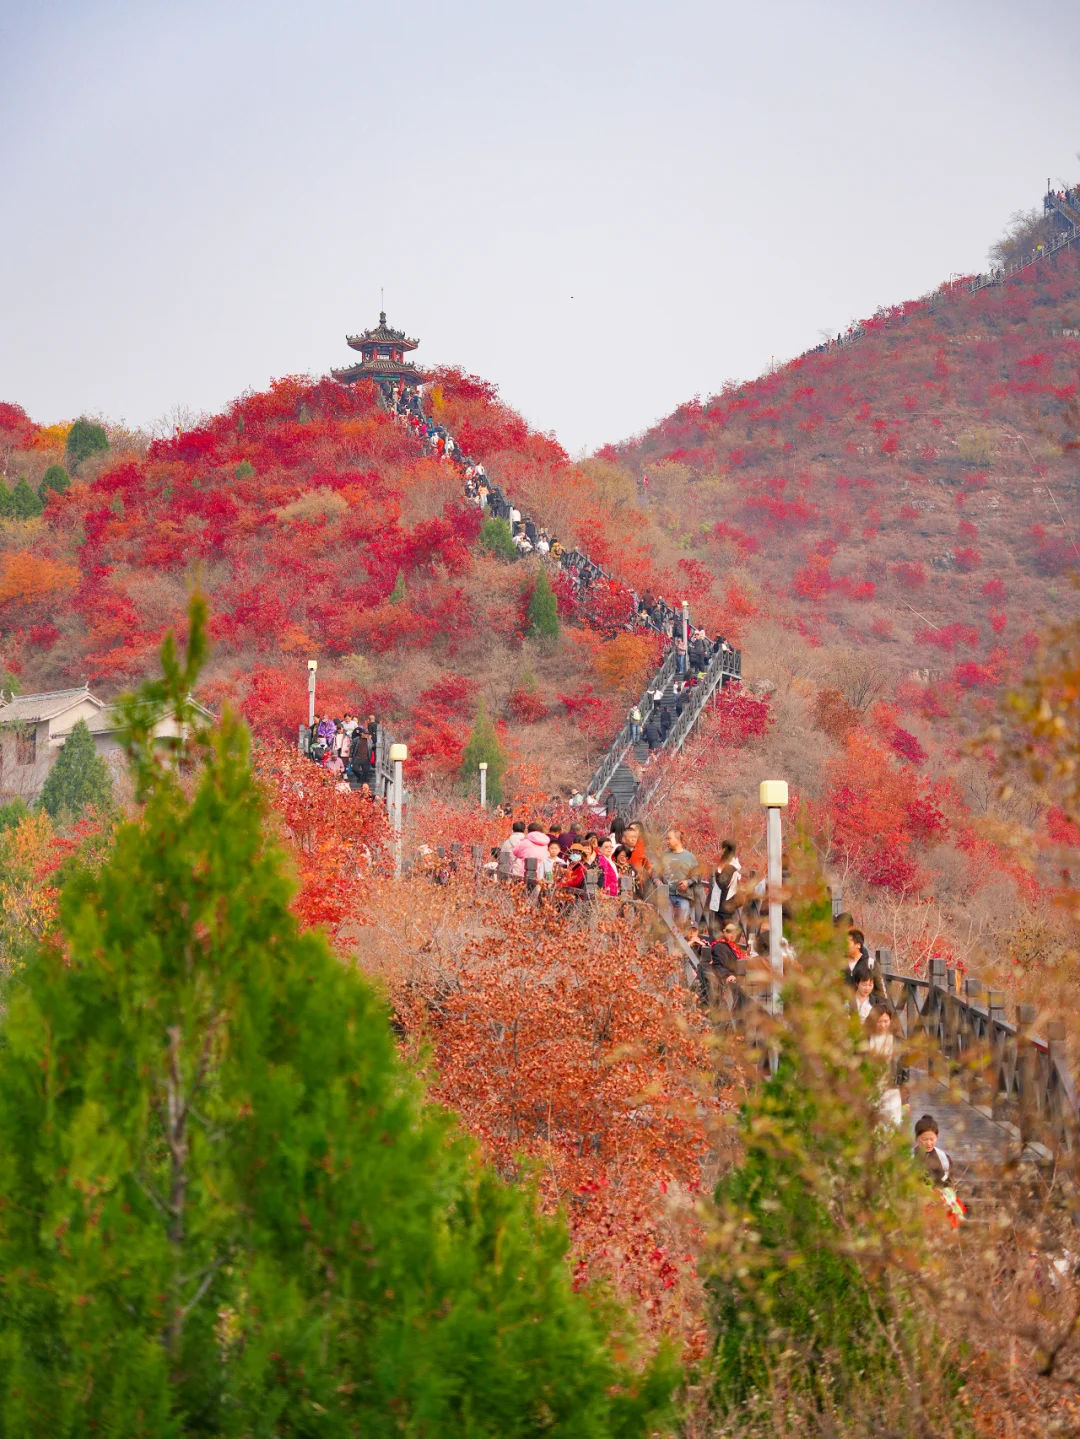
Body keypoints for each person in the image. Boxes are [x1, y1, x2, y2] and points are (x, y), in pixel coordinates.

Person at [864, 1006, 903, 1127]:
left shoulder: (897, 1041)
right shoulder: (865, 1039)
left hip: (891, 1087)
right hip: (870, 1087)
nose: (883, 1025)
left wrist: (906, 1098)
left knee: (893, 1124)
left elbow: (904, 1069)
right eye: (879, 1021)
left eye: (886, 1021)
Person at [661, 828, 698, 924]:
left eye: (669, 839)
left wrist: (688, 882)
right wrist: (657, 881)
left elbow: (697, 875)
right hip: (666, 896)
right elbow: (655, 872)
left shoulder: (690, 857)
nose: (667, 841)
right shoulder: (664, 855)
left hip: (683, 897)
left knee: (681, 926)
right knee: (666, 925)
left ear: (677, 840)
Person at [708, 840, 741, 934]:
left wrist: (718, 872)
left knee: (722, 933)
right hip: (725, 905)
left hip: (724, 906)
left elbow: (723, 884)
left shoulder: (730, 867)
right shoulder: (732, 866)